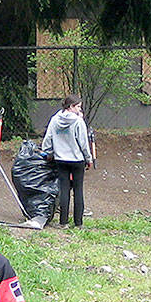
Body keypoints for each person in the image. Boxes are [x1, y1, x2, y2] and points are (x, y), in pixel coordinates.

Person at [40, 94, 93, 227]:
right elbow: (83, 143)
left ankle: (63, 222)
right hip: (77, 160)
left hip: (60, 159)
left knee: (64, 190)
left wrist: (49, 152)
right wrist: (89, 158)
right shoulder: (78, 121)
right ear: (71, 107)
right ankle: (78, 223)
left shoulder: (55, 119)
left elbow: (48, 139)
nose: (80, 110)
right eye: (78, 107)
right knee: (78, 190)